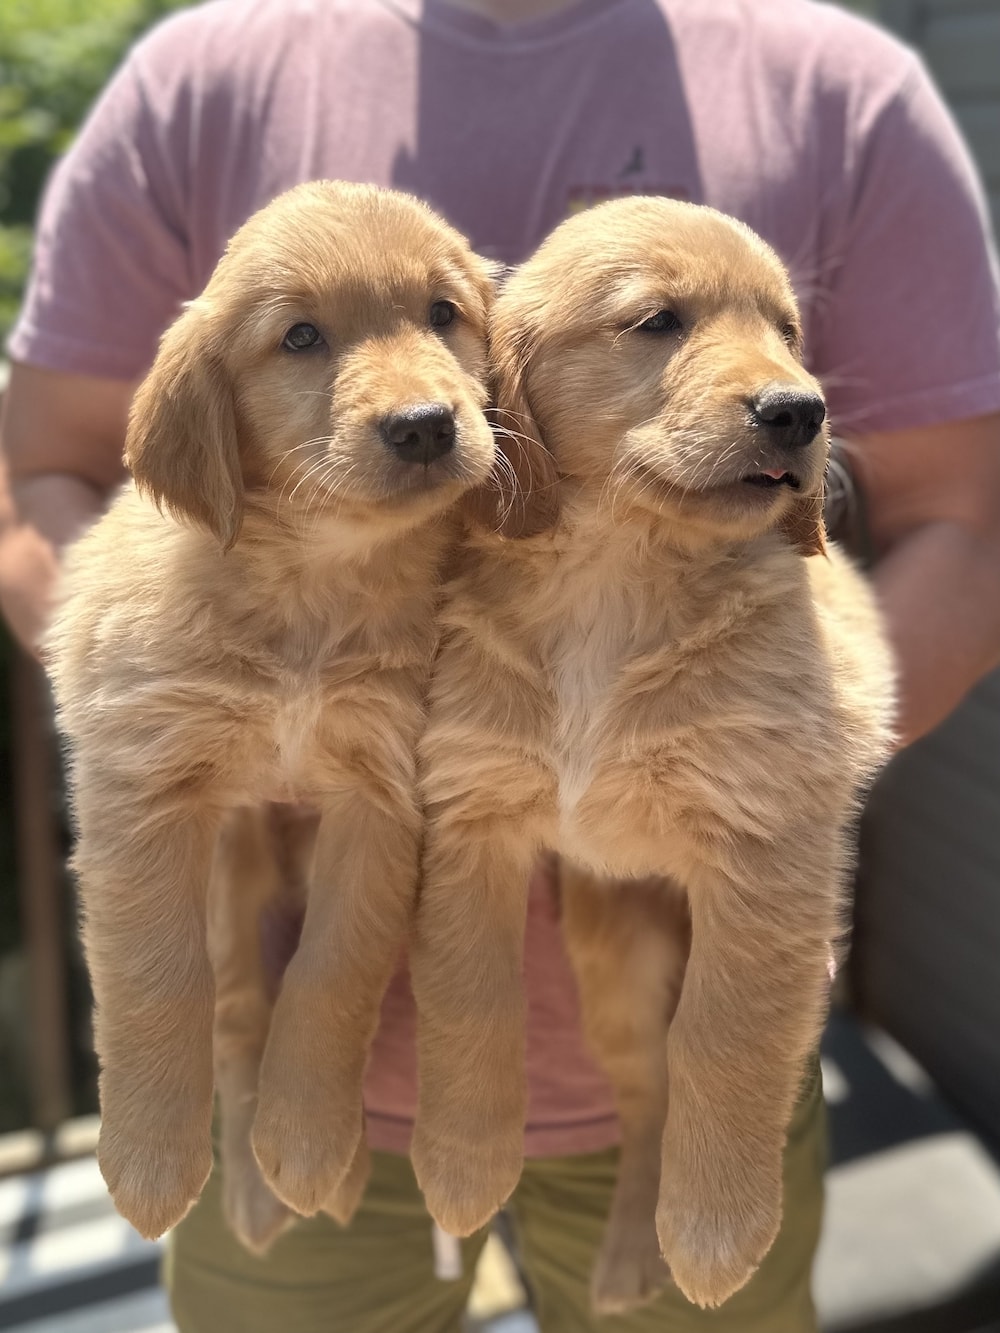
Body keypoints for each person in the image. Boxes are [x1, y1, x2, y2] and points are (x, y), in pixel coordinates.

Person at [2, 0, 1000, 1328]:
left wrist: (751, 782)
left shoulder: (840, 87)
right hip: (280, 1054)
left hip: (703, 1051)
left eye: (443, 316)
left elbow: (963, 525)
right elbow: (40, 474)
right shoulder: (199, 80)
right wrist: (209, 708)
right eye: (656, 319)